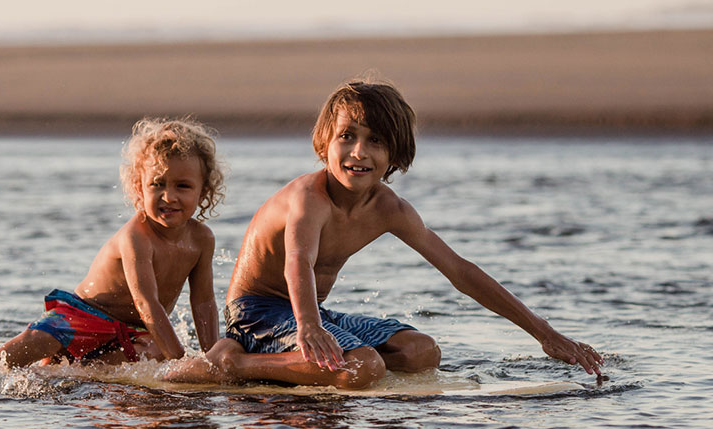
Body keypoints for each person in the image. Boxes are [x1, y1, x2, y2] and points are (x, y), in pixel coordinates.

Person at [204, 78, 604, 390]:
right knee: (364, 366)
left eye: (375, 141)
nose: (358, 152)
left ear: (395, 154)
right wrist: (309, 326)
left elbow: (460, 271)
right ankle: (235, 362)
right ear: (325, 141)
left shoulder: (388, 208)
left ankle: (316, 366)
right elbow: (298, 261)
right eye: (347, 136)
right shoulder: (311, 198)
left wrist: (545, 334)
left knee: (421, 352)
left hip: (311, 313)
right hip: (258, 314)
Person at [0, 117, 226, 382]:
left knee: (154, 353)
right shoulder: (137, 236)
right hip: (83, 315)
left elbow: (203, 302)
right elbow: (146, 302)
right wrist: (181, 362)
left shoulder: (202, 239)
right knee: (43, 337)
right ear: (139, 188)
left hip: (130, 330)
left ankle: (67, 370)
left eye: (183, 186)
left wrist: (210, 359)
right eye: (157, 184)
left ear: (203, 192)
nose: (169, 196)